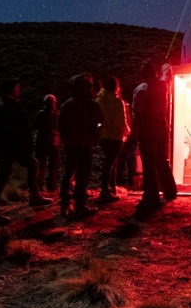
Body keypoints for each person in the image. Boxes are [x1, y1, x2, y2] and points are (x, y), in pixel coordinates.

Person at [0, 78, 52, 226]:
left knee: (32, 164)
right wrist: (22, 144)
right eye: (17, 87)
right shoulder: (5, 106)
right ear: (11, 89)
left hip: (12, 147)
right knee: (2, 177)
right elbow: (10, 130)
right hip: (10, 148)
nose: (19, 89)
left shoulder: (6, 103)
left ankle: (34, 196)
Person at [132, 59, 177, 209]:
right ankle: (170, 191)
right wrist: (166, 66)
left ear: (143, 73)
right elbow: (166, 76)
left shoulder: (141, 89)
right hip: (161, 126)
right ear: (155, 72)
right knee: (162, 159)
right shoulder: (162, 84)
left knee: (148, 163)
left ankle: (151, 195)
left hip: (148, 128)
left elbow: (138, 111)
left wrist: (135, 129)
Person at [58, 74, 103, 217]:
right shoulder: (92, 105)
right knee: (83, 174)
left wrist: (66, 137)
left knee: (68, 172)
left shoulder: (67, 104)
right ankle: (80, 205)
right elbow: (99, 123)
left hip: (70, 143)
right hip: (85, 143)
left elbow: (60, 125)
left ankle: (65, 203)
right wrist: (96, 135)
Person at [96, 77, 131, 204]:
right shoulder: (117, 102)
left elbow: (97, 120)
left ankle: (110, 189)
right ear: (116, 87)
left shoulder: (99, 100)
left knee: (110, 161)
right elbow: (121, 121)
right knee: (110, 162)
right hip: (116, 136)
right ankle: (106, 190)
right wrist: (127, 131)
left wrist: (99, 129)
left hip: (103, 136)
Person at [33, 94, 60, 193]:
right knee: (52, 165)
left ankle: (40, 186)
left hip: (42, 141)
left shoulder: (41, 113)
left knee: (41, 165)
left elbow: (34, 125)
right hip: (54, 142)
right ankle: (51, 186)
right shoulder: (57, 114)